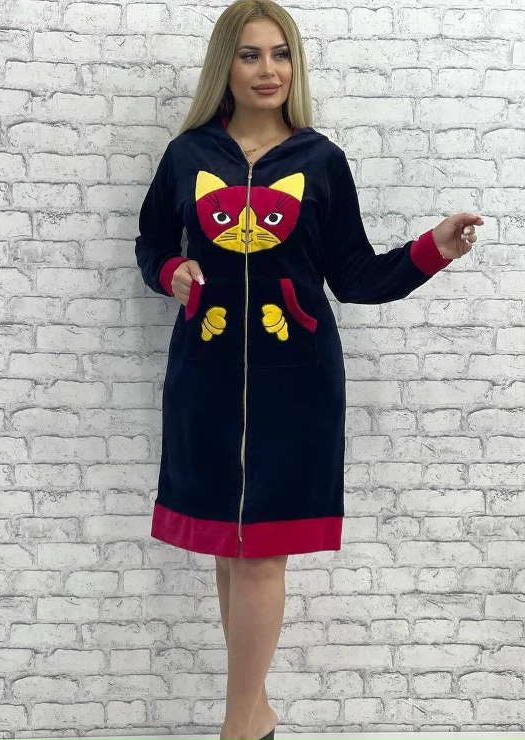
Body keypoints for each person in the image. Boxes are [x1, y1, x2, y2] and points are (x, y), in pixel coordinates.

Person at [134, 2, 483, 740]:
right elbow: (152, 242)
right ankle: (255, 714)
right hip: (205, 374)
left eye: (281, 53)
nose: (269, 70)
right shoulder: (187, 155)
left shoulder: (320, 161)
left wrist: (433, 249)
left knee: (261, 554)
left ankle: (237, 727)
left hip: (296, 383)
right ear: (225, 66)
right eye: (251, 55)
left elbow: (353, 275)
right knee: (229, 550)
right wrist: (171, 272)